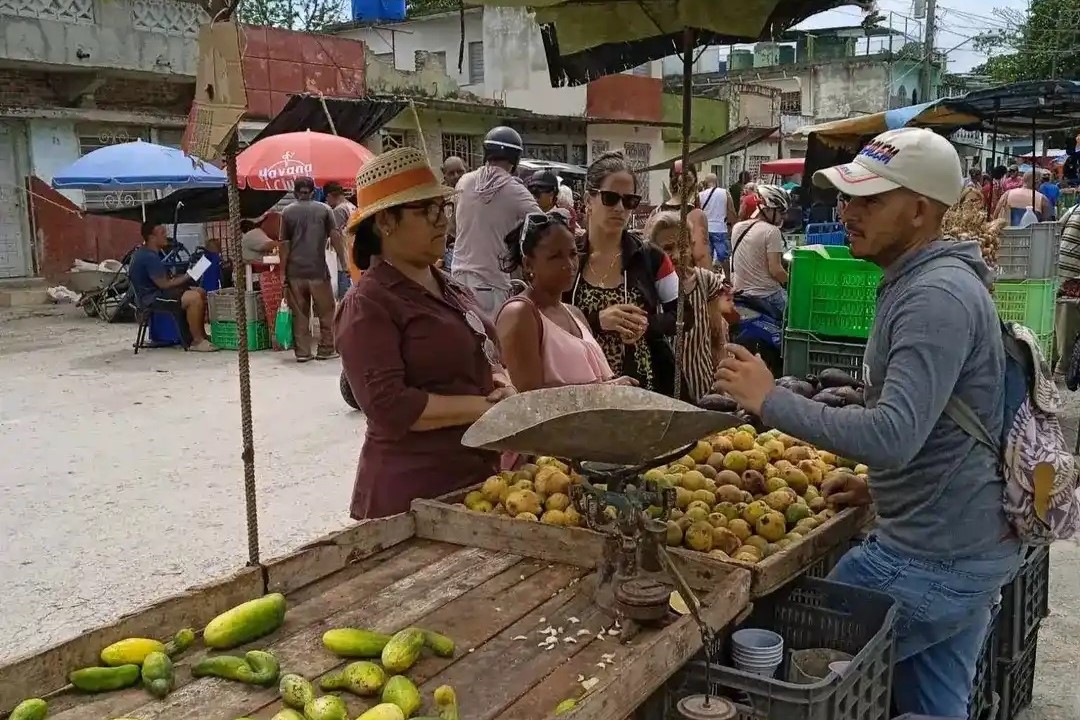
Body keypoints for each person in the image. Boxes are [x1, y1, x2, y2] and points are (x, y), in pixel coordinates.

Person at [715, 127, 1022, 718]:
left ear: (919, 211)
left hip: (935, 557)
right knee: (933, 704)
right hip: (961, 542)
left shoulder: (935, 297)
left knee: (783, 662)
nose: (848, 212)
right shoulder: (919, 281)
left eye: (870, 200)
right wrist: (879, 490)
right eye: (848, 198)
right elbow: (934, 429)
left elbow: (893, 435)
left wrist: (769, 399)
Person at [336, 147, 515, 519]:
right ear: (386, 222)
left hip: (475, 481)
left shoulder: (449, 285)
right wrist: (489, 408)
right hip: (411, 494)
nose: (441, 221)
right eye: (426, 210)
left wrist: (500, 379)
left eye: (443, 208)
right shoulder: (369, 304)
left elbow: (483, 350)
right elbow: (391, 406)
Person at [567, 150, 683, 396]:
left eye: (629, 201)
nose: (620, 208)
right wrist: (598, 321)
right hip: (580, 385)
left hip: (640, 388)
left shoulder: (651, 257)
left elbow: (684, 316)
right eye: (610, 198)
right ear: (589, 200)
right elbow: (548, 320)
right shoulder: (568, 256)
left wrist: (646, 324)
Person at [496, 211, 635, 391]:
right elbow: (527, 398)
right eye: (555, 256)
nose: (569, 264)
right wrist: (605, 390)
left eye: (572, 254)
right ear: (529, 264)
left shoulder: (574, 314)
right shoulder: (520, 313)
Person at [452, 126, 541, 318]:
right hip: (490, 284)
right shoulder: (514, 190)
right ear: (515, 158)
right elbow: (542, 224)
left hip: (457, 280)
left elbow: (454, 225)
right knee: (493, 344)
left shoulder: (464, 182)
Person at [648, 210, 730, 402]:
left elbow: (716, 338)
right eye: (667, 248)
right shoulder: (648, 286)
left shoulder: (705, 281)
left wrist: (721, 383)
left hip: (702, 387)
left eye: (683, 246)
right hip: (663, 392)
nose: (676, 255)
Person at [279, 176, 343, 362]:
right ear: (314, 192)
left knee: (300, 313)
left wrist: (283, 272)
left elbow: (284, 245)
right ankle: (326, 348)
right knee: (326, 310)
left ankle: (303, 353)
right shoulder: (325, 209)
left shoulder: (287, 212)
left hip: (295, 271)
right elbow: (336, 237)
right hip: (318, 270)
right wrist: (345, 263)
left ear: (294, 192)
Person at [127, 221, 217, 352]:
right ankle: (196, 341)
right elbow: (163, 284)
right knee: (194, 298)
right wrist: (187, 276)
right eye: (162, 233)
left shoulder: (149, 253)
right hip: (152, 298)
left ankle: (201, 335)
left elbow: (163, 280)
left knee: (200, 291)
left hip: (158, 293)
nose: (166, 236)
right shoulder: (148, 257)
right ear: (152, 237)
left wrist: (182, 278)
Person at [729, 185, 790, 320]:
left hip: (741, 294)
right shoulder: (772, 231)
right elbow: (776, 270)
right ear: (767, 209)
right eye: (780, 212)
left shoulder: (737, 228)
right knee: (797, 314)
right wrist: (792, 281)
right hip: (767, 295)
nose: (783, 217)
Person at [652, 161, 710, 268]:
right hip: (684, 278)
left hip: (660, 279)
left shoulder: (656, 213)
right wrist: (709, 281)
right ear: (694, 184)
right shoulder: (696, 215)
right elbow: (701, 256)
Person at [324, 181, 357, 299]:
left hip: (343, 258)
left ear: (329, 196)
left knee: (344, 296)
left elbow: (336, 236)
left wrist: (343, 261)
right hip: (354, 255)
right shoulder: (352, 207)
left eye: (326, 198)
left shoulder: (338, 210)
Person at [698, 172, 737, 268]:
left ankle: (708, 279)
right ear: (716, 181)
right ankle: (727, 279)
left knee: (707, 256)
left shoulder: (700, 195)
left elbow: (698, 212)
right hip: (720, 229)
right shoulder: (725, 193)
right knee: (724, 256)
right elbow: (731, 211)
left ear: (706, 182)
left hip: (705, 229)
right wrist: (732, 226)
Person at [441, 156, 467, 271]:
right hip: (450, 252)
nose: (456, 176)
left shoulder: (476, 194)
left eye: (460, 171)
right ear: (445, 176)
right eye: (451, 173)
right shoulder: (440, 199)